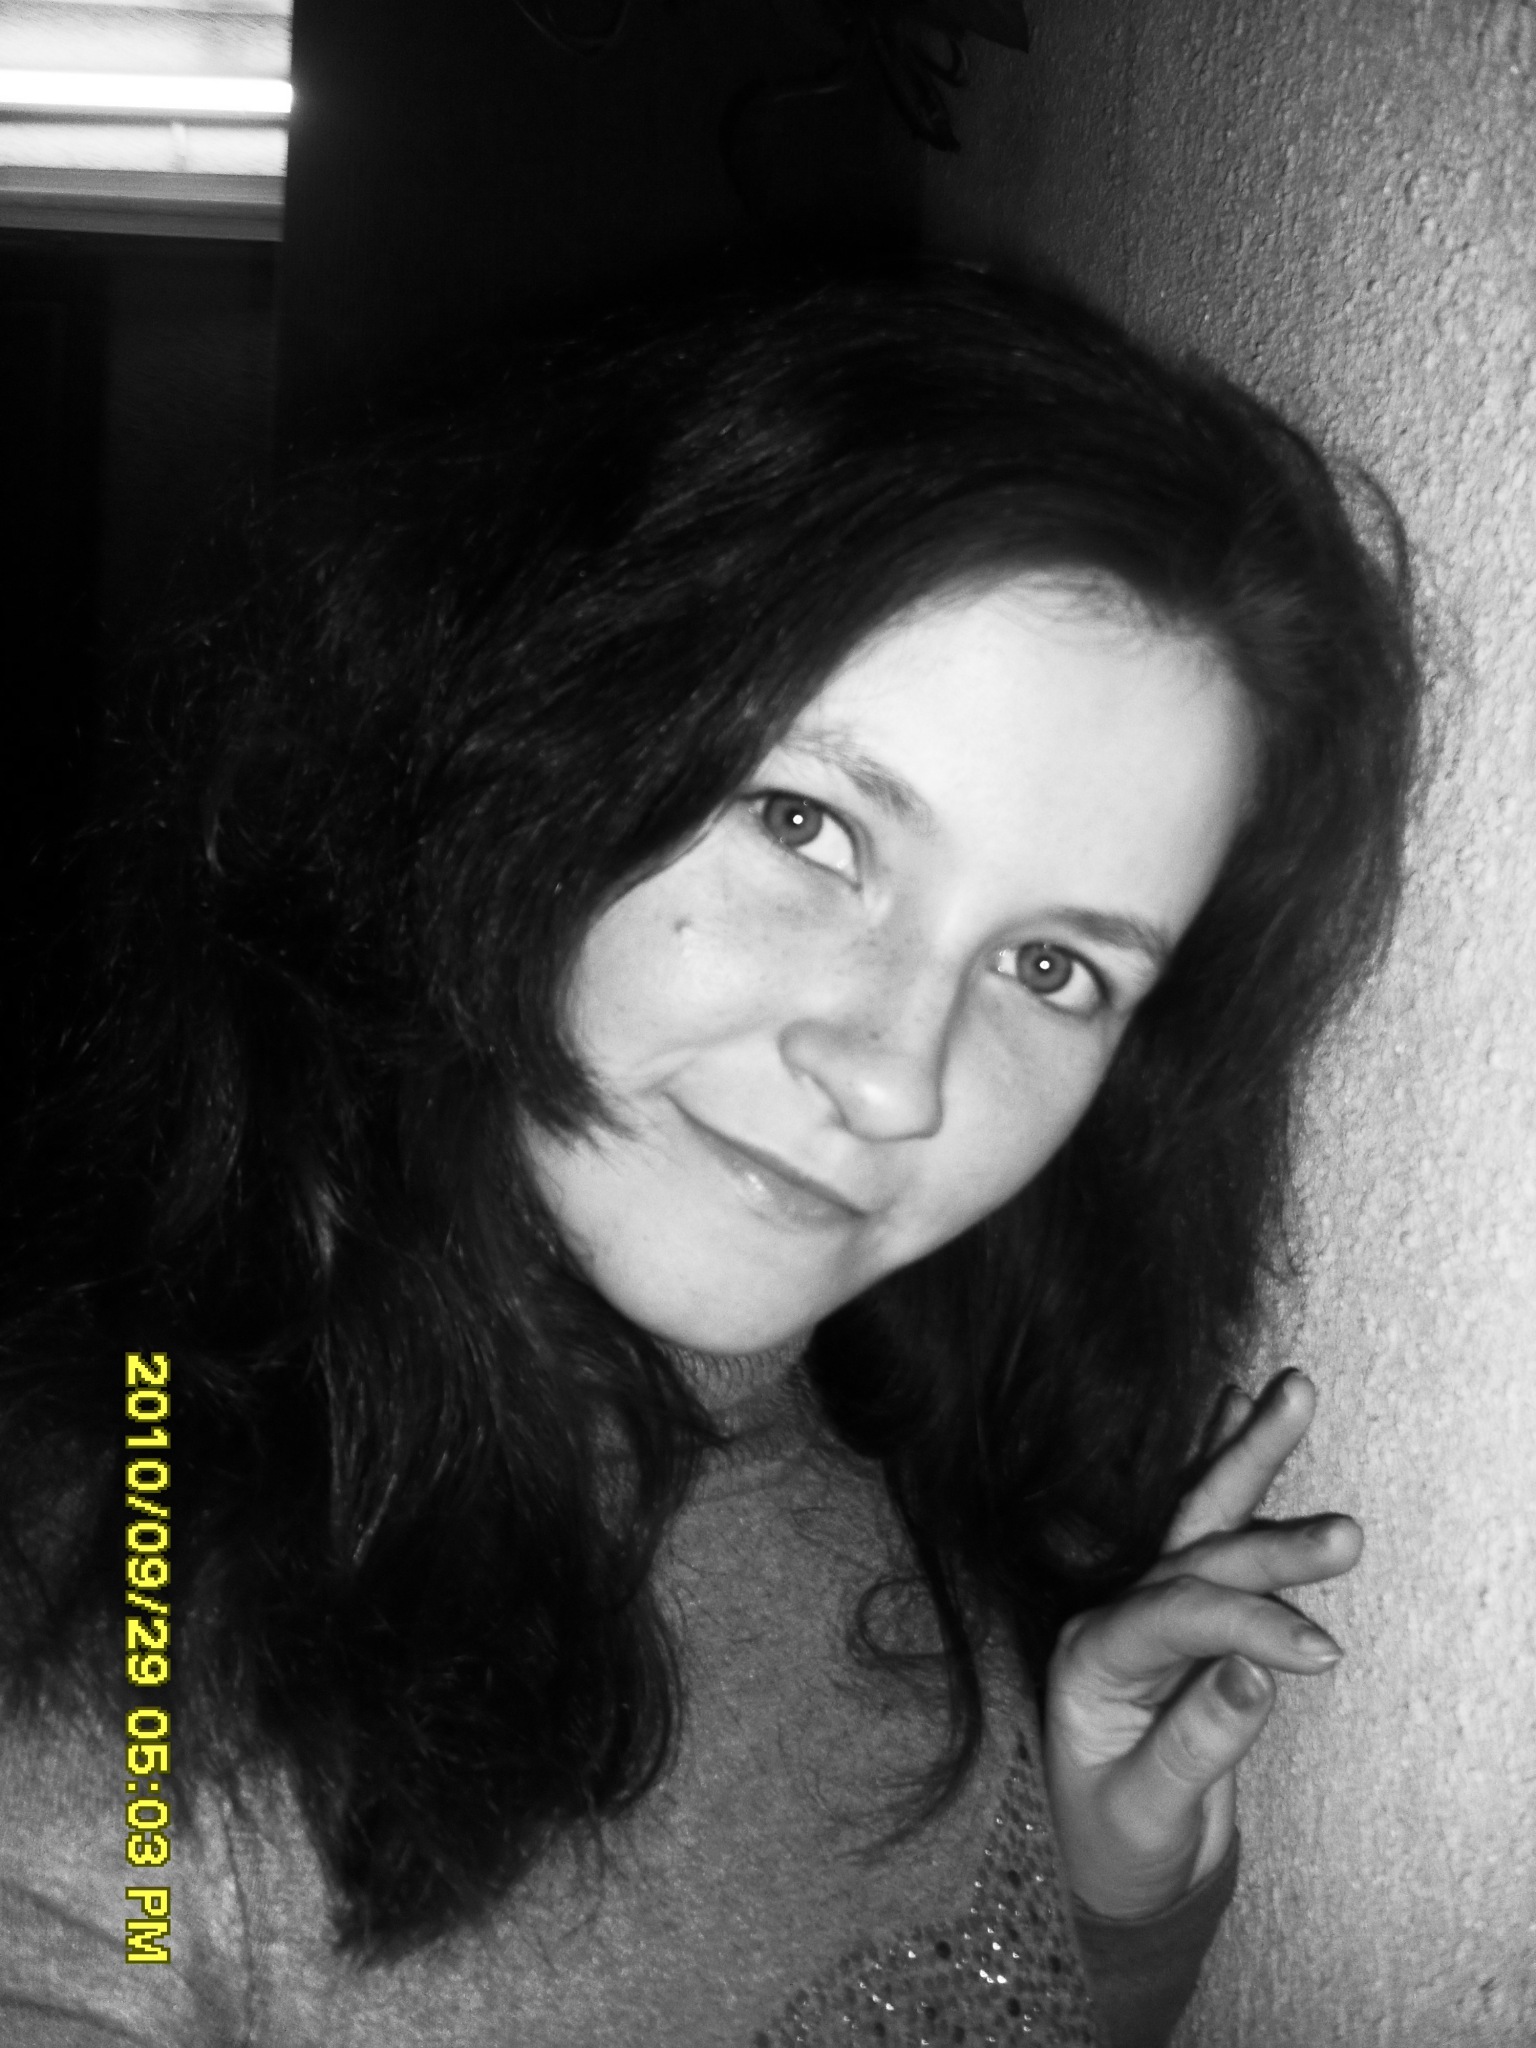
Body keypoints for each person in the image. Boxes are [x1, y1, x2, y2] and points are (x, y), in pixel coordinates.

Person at [0, 261, 1419, 2046]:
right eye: (807, 825)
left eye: (1055, 968)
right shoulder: (105, 1652)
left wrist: (1099, 1897)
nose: (896, 1079)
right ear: (521, 735)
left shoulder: (942, 1441)